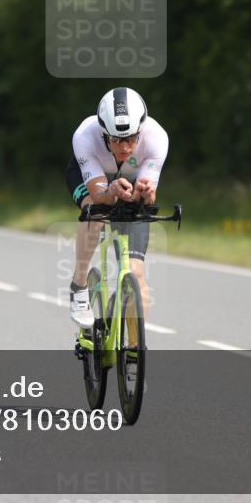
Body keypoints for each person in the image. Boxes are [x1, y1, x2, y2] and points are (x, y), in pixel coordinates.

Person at [65, 88, 168, 329]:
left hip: (129, 181)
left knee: (136, 273)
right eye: (116, 140)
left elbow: (147, 193)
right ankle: (79, 286)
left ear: (140, 131)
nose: (124, 147)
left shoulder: (157, 137)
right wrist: (110, 191)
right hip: (92, 181)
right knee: (96, 210)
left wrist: (146, 194)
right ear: (104, 135)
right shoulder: (85, 136)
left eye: (131, 139)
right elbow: (98, 192)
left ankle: (133, 353)